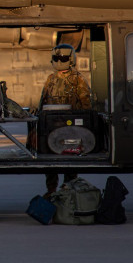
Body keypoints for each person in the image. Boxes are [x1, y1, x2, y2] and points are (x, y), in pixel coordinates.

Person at [39, 43, 92, 197]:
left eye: (63, 58)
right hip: (52, 125)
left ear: (71, 59)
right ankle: (51, 190)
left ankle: (68, 190)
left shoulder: (77, 79)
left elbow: (85, 102)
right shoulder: (51, 79)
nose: (59, 61)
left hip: (71, 125)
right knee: (50, 162)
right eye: (56, 58)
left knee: (70, 159)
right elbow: (43, 100)